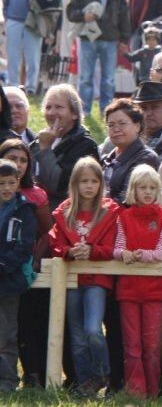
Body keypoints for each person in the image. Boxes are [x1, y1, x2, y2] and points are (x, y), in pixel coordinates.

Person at [49, 157, 120, 397]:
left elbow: (112, 246)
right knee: (77, 335)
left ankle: (102, 373)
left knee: (92, 329)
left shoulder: (109, 212)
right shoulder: (64, 212)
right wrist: (69, 251)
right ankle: (84, 382)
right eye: (83, 181)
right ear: (75, 184)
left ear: (101, 183)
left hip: (96, 280)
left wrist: (92, 251)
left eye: (94, 181)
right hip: (70, 279)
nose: (89, 186)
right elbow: (55, 242)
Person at [114, 165, 162, 398]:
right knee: (132, 346)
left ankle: (153, 392)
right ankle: (135, 392)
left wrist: (140, 255)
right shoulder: (123, 216)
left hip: (156, 292)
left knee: (152, 345)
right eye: (142, 187)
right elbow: (118, 247)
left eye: (152, 188)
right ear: (134, 190)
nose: (147, 192)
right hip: (128, 290)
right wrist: (124, 255)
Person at [3, 138, 50, 388]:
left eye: (23, 160)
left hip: (23, 269)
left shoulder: (35, 196)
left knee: (26, 326)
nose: (18, 165)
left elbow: (46, 232)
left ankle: (31, 375)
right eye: (12, 158)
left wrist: (36, 259)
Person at [66, 0, 131, 115]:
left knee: (108, 79)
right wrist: (83, 15)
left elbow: (124, 18)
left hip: (110, 39)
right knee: (85, 78)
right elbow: (70, 12)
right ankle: (85, 111)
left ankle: (107, 111)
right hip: (88, 39)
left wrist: (124, 40)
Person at [31, 84, 100, 211]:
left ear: (74, 114)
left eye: (59, 107)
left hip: (65, 215)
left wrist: (45, 149)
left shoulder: (85, 145)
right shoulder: (38, 141)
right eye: (48, 107)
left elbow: (58, 186)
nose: (51, 112)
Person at [0, 158, 36, 393]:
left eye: (11, 182)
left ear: (18, 182)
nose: (6, 188)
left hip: (9, 281)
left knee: (6, 334)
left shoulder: (24, 210)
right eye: (1, 183)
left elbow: (25, 246)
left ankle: (8, 382)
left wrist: (4, 265)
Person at [2, 0, 51, 93]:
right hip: (14, 21)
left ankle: (30, 88)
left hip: (34, 23)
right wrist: (7, 20)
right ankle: (12, 87)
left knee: (33, 57)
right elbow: (5, 2)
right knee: (13, 56)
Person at [100, 100, 161, 205]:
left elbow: (128, 200)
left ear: (137, 126)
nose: (116, 129)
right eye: (111, 125)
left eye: (122, 123)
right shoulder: (107, 159)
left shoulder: (146, 158)